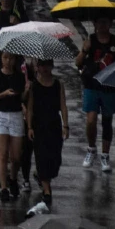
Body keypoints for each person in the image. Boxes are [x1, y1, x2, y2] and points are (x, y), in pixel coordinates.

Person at [77, 15, 115, 174]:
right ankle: (91, 148)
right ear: (95, 23)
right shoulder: (90, 40)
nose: (102, 25)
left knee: (107, 120)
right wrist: (84, 50)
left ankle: (105, 154)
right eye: (99, 22)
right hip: (92, 85)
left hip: (109, 87)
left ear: (111, 23)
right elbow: (78, 62)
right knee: (91, 120)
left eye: (105, 22)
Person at [27, 57, 68, 214]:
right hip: (39, 125)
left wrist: (66, 124)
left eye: (47, 65)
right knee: (41, 156)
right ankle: (47, 190)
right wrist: (30, 126)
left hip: (54, 125)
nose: (44, 69)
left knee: (55, 158)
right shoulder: (34, 86)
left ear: (51, 66)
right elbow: (30, 108)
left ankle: (42, 177)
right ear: (38, 67)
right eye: (41, 65)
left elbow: (63, 105)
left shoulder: (58, 84)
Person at [0, 49, 27, 202]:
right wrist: (3, 94)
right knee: (2, 154)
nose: (8, 61)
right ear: (1, 59)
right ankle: (3, 187)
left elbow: (22, 97)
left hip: (16, 114)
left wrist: (26, 91)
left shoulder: (19, 76)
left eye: (11, 58)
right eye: (5, 58)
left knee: (16, 156)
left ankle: (13, 178)